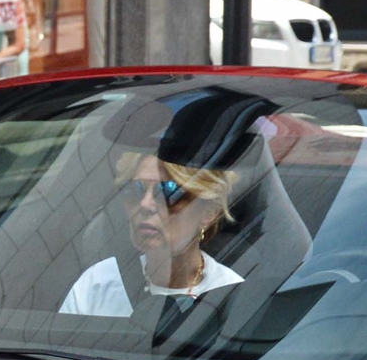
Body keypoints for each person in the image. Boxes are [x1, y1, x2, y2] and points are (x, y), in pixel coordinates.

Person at [59, 100, 253, 325]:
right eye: (135, 189)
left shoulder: (232, 293)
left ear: (208, 212)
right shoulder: (98, 284)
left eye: (168, 191)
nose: (146, 204)